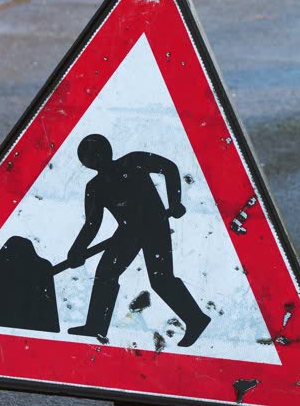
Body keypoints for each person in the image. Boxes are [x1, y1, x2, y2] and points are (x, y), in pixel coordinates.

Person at [66, 134, 211, 347]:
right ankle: (95, 326)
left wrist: (175, 201)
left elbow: (169, 168)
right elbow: (92, 224)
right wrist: (77, 250)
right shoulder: (95, 187)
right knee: (105, 272)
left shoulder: (133, 161)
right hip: (127, 232)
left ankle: (196, 319)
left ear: (106, 152)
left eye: (97, 154)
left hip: (155, 224)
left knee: (161, 279)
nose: (95, 160)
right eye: (89, 157)